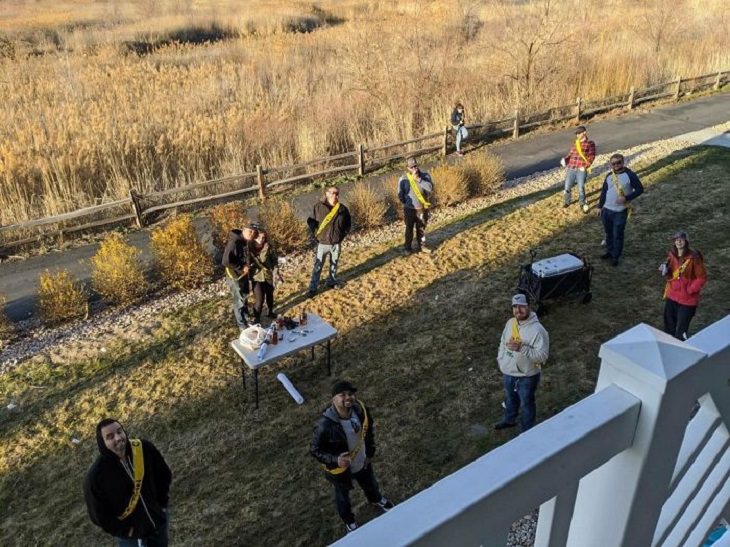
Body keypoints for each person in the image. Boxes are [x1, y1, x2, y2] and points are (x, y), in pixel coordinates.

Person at [311, 380, 394, 534]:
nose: (348, 397)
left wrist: (370, 453)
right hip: (341, 471)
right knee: (343, 497)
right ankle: (349, 521)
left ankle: (376, 499)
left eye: (350, 394)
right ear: (333, 399)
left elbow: (368, 433)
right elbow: (315, 450)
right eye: (342, 395)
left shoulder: (360, 411)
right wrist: (336, 460)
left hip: (362, 462)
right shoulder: (324, 425)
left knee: (370, 484)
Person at [84, 418, 172, 547]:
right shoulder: (97, 476)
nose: (118, 438)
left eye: (120, 431)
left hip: (158, 522)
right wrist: (125, 531)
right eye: (110, 437)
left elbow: (163, 475)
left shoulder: (143, 448)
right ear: (102, 443)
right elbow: (98, 514)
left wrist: (161, 505)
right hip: (132, 537)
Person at [495, 294, 549, 433]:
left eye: (521, 306)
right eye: (515, 307)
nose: (518, 310)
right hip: (508, 372)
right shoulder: (510, 323)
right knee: (510, 399)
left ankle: (527, 432)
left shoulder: (538, 331)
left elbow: (542, 356)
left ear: (528, 307)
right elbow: (502, 342)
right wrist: (501, 360)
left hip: (527, 376)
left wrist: (522, 348)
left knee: (526, 404)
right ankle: (509, 420)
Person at [596, 153, 644, 267]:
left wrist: (626, 198)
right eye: (613, 163)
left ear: (623, 162)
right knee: (609, 234)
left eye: (619, 162)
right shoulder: (609, 175)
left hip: (620, 211)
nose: (616, 165)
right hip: (606, 210)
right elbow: (604, 192)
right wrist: (599, 206)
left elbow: (640, 189)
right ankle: (609, 251)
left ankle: (615, 256)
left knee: (618, 234)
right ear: (611, 165)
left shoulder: (630, 175)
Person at [660, 231, 707, 340]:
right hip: (672, 296)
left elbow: (702, 277)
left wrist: (690, 290)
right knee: (668, 328)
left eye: (681, 239)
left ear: (686, 242)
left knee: (681, 332)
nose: (678, 242)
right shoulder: (672, 255)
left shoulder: (694, 258)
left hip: (687, 301)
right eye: (676, 240)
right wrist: (665, 270)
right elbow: (670, 274)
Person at [307, 186, 351, 298]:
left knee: (334, 264)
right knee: (318, 266)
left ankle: (331, 281)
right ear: (327, 194)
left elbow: (348, 225)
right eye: (333, 193)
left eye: (337, 193)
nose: (335, 195)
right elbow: (311, 221)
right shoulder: (318, 207)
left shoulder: (342, 209)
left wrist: (341, 237)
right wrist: (316, 234)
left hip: (336, 243)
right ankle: (313, 288)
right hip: (322, 243)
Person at [222, 224, 258, 328]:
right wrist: (241, 267)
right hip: (235, 276)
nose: (251, 234)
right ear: (244, 230)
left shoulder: (244, 241)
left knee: (244, 296)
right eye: (249, 231)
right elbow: (225, 261)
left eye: (253, 232)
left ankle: (246, 318)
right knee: (239, 300)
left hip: (243, 275)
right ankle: (242, 325)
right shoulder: (234, 242)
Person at [398, 156, 434, 254]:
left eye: (415, 166)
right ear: (407, 168)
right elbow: (400, 194)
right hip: (409, 209)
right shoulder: (403, 179)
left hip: (421, 209)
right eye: (412, 167)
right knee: (409, 229)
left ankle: (422, 246)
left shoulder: (425, 176)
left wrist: (419, 180)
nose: (414, 169)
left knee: (421, 228)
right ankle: (407, 248)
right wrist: (406, 203)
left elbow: (430, 188)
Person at [249, 229, 282, 324]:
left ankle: (270, 312)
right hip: (256, 277)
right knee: (259, 300)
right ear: (255, 236)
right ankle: (257, 318)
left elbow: (274, 261)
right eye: (259, 237)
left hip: (268, 275)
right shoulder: (249, 248)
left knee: (270, 296)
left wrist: (276, 272)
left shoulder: (269, 247)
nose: (262, 239)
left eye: (264, 237)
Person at [561, 125, 596, 213]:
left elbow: (592, 157)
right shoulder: (575, 143)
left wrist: (585, 166)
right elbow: (570, 155)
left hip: (581, 169)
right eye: (577, 133)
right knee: (567, 187)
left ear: (584, 132)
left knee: (581, 187)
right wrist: (565, 160)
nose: (577, 135)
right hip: (571, 168)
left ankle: (582, 203)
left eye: (579, 133)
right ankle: (567, 201)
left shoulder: (590, 144)